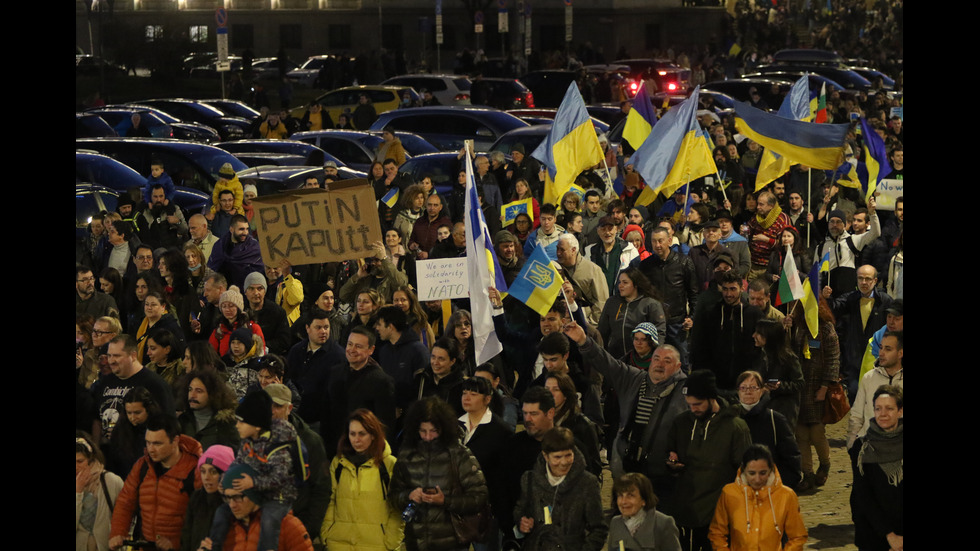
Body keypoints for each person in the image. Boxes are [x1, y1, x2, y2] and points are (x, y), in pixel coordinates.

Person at [665, 370, 751, 551]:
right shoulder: (681, 423)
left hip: (717, 514)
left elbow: (745, 473)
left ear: (712, 398)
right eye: (689, 405)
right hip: (685, 511)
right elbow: (670, 452)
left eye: (698, 404)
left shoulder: (735, 427)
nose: (693, 409)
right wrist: (672, 463)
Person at [389, 397, 489, 551]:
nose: (428, 437)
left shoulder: (460, 455)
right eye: (423, 431)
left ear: (443, 428)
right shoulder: (406, 455)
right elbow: (393, 496)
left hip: (453, 543)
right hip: (415, 542)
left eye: (433, 431)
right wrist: (409, 495)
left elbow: (479, 497)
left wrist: (445, 501)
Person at [109, 414, 203, 550]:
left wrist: (176, 542)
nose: (151, 449)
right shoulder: (143, 465)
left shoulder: (195, 470)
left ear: (175, 441)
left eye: (157, 444)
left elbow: (201, 518)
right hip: (145, 544)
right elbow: (125, 502)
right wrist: (118, 532)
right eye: (148, 442)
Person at [514, 427, 608, 551]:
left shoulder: (587, 483)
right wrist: (522, 522)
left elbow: (599, 529)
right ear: (545, 456)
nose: (564, 462)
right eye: (557, 457)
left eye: (568, 455)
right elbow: (520, 511)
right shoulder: (529, 479)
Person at [322, 409, 404, 551]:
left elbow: (397, 508)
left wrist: (391, 541)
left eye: (362, 434)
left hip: (377, 545)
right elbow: (331, 501)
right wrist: (326, 533)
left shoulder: (389, 464)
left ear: (373, 435)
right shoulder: (338, 464)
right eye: (352, 434)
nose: (356, 439)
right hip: (339, 543)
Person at [707, 444, 808, 551]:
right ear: (743, 470)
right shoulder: (729, 493)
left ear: (771, 470)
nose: (757, 479)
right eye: (752, 473)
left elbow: (798, 536)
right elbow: (717, 532)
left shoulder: (786, 495)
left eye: (763, 473)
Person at [202, 464, 314, 550]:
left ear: (254, 495)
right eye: (228, 498)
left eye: (237, 497)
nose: (232, 505)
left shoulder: (288, 526)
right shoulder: (225, 528)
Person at [850, 385, 903, 551]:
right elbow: (863, 495)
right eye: (878, 409)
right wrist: (889, 535)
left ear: (900, 411)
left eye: (889, 408)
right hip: (874, 534)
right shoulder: (862, 448)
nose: (883, 414)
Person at [733, 371, 803, 491]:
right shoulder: (730, 420)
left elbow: (792, 458)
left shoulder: (775, 419)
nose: (748, 392)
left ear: (761, 391)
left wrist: (780, 487)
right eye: (743, 388)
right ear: (738, 391)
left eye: (753, 387)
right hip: (738, 493)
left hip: (771, 491)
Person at [597, 266, 667, 360]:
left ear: (635, 285)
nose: (620, 285)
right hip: (615, 358)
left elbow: (659, 332)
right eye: (619, 282)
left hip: (642, 359)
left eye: (625, 282)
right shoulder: (612, 302)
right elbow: (602, 331)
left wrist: (655, 356)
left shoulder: (650, 304)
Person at [751, 318, 805, 427]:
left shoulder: (788, 358)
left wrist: (780, 386)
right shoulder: (760, 355)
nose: (753, 336)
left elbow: (800, 384)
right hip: (763, 407)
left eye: (758, 333)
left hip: (783, 412)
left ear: (769, 336)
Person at [607, 473, 681, 551]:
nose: (624, 501)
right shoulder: (616, 522)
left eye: (630, 495)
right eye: (620, 495)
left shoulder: (663, 524)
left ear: (644, 500)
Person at [180, 445, 234, 551]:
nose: (206, 477)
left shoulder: (234, 503)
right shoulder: (196, 498)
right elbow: (186, 536)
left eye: (213, 472)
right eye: (203, 471)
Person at [76, 431, 124, 551]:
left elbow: (126, 515)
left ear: (90, 460)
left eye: (79, 461)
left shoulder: (111, 481)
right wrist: (77, 492)